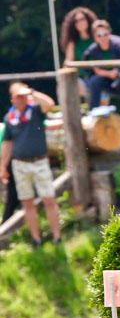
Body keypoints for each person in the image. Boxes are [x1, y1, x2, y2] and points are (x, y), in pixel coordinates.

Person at [0, 83, 61, 246]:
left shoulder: (35, 111)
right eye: (18, 96)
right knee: (27, 203)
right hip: (20, 165)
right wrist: (2, 166)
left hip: (40, 162)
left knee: (49, 199)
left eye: (23, 96)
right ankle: (36, 239)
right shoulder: (9, 118)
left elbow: (50, 104)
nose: (22, 99)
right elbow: (7, 144)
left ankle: (57, 237)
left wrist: (32, 92)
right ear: (12, 99)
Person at [60, 7, 97, 97]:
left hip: (98, 76)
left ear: (88, 20)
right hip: (81, 79)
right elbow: (68, 61)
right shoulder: (72, 42)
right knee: (69, 85)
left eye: (82, 19)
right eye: (76, 21)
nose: (80, 23)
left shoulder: (97, 38)